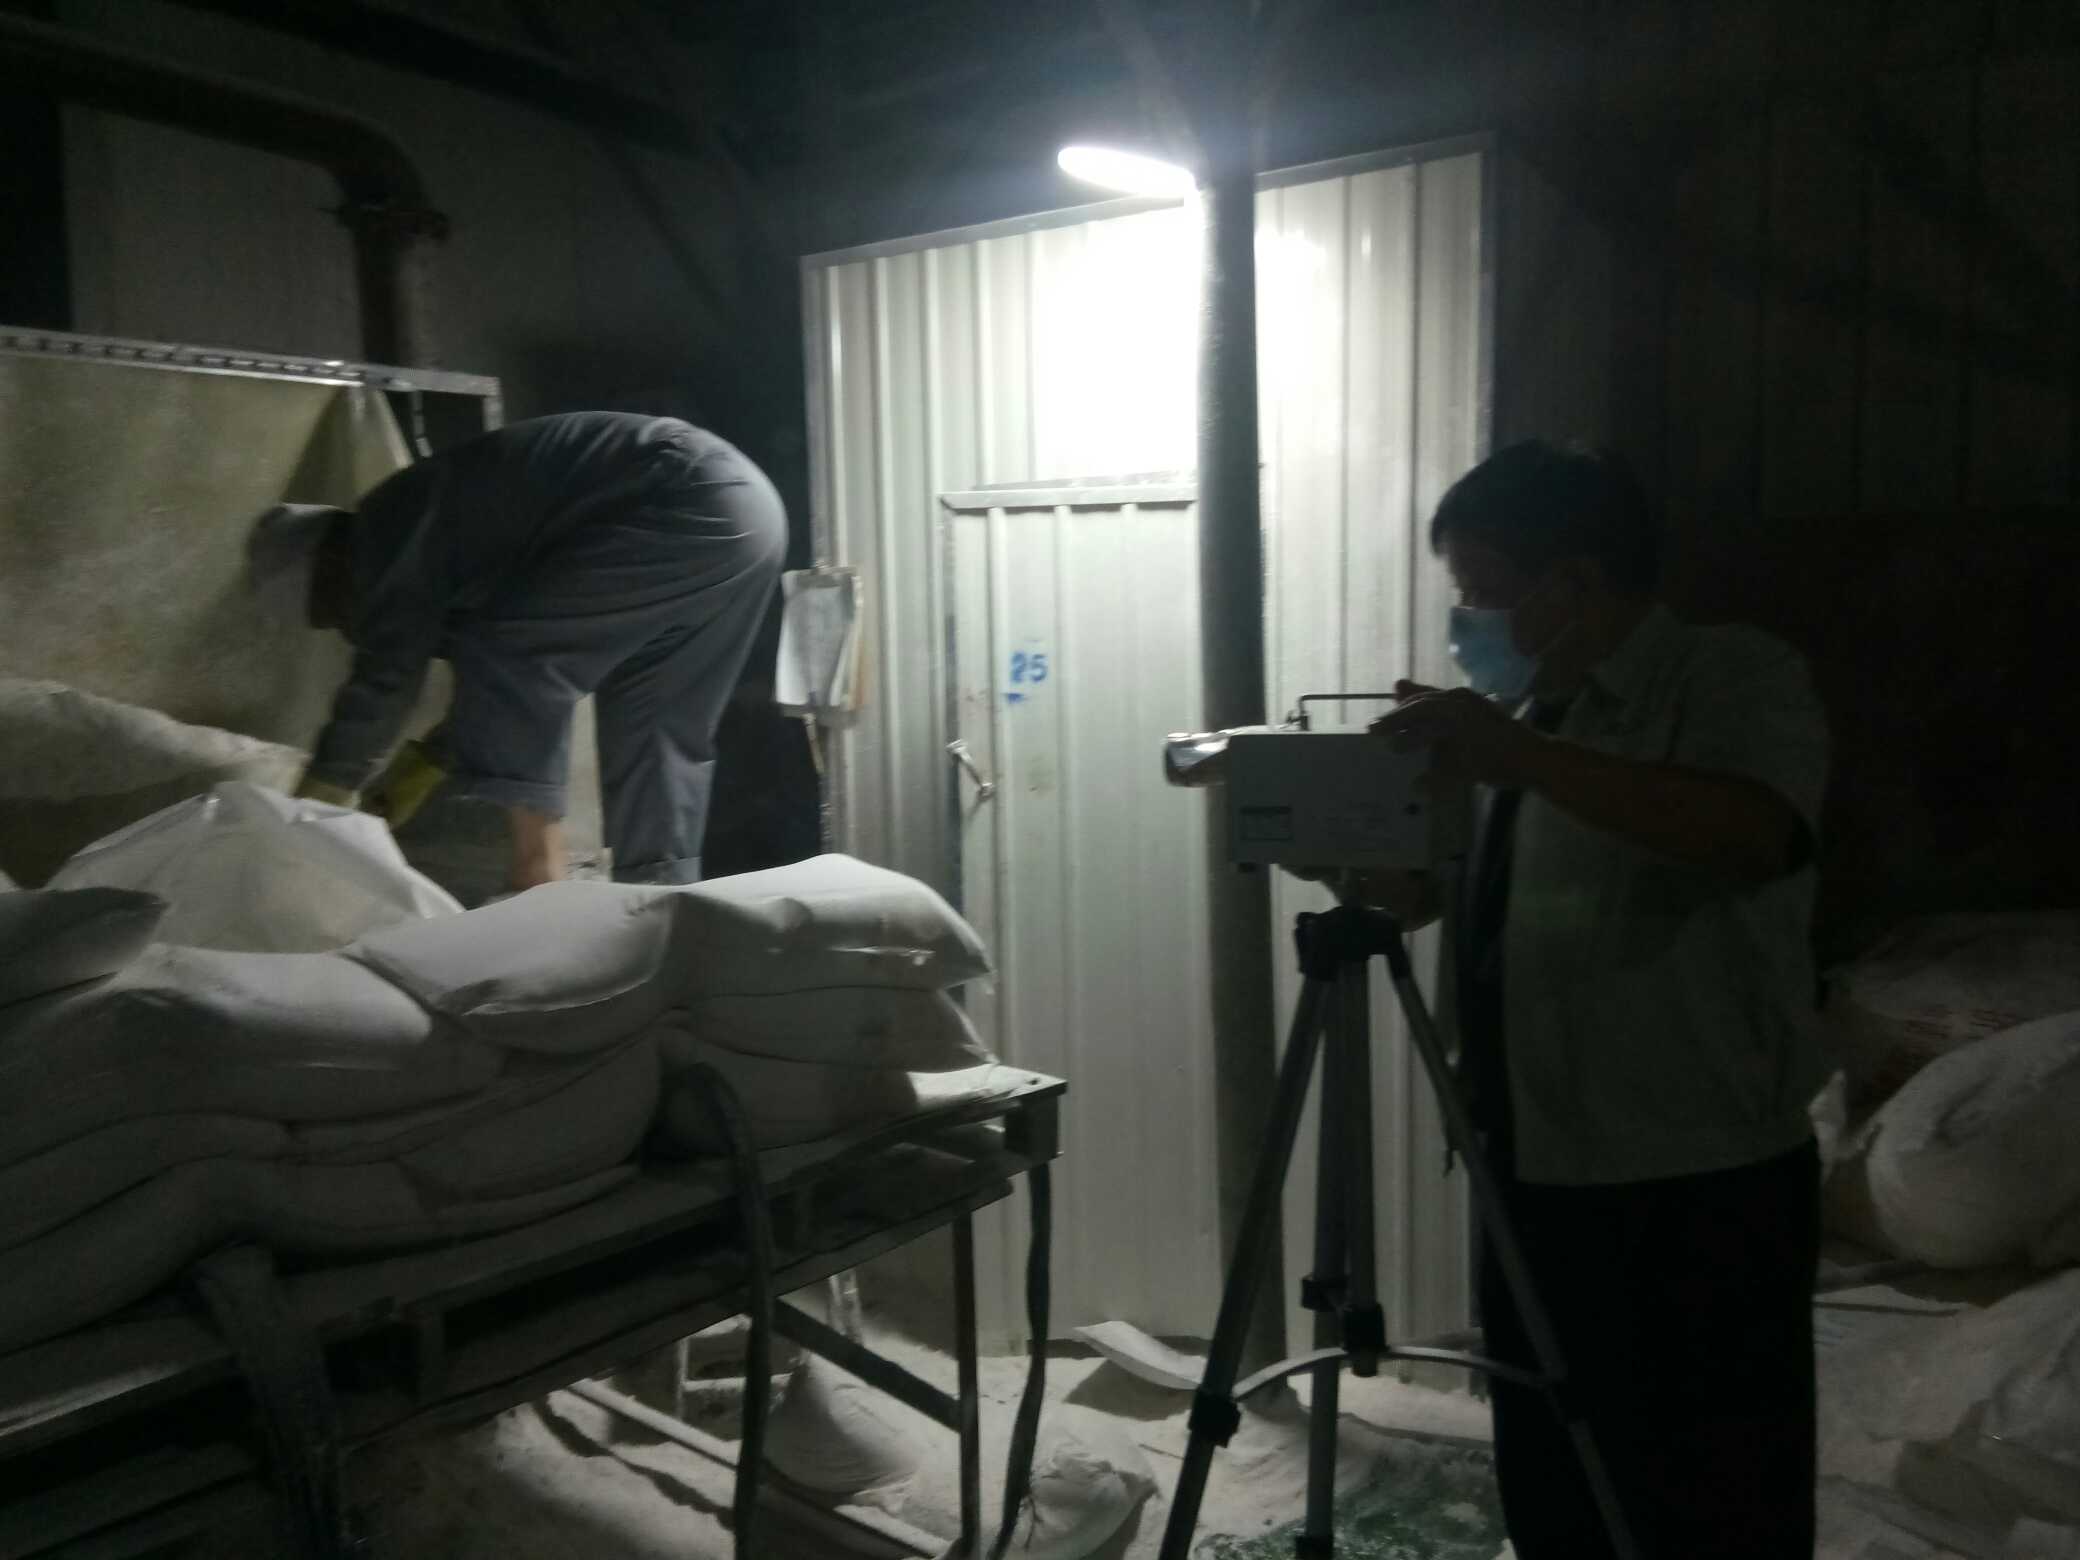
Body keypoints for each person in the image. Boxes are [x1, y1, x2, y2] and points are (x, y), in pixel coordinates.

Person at [1358, 440, 1830, 1559]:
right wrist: (1349, 840)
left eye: (1481, 590)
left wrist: (1514, 755)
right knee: (1555, 1470)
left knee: (1717, 1491)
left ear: (1570, 582)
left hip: (1695, 1173)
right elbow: (1453, 900)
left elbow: (1752, 833)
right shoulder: (1525, 722)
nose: (1467, 620)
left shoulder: (1727, 678)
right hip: (1529, 1163)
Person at [251, 411, 784, 892]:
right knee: (656, 727)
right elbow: (498, 700)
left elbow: (388, 681)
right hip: (747, 514)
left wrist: (313, 808)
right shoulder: (437, 542)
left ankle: (539, 872)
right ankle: (660, 908)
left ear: (326, 562)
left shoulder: (381, 530)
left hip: (679, 493)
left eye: (324, 608)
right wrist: (420, 769)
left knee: (515, 651)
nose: (340, 625)